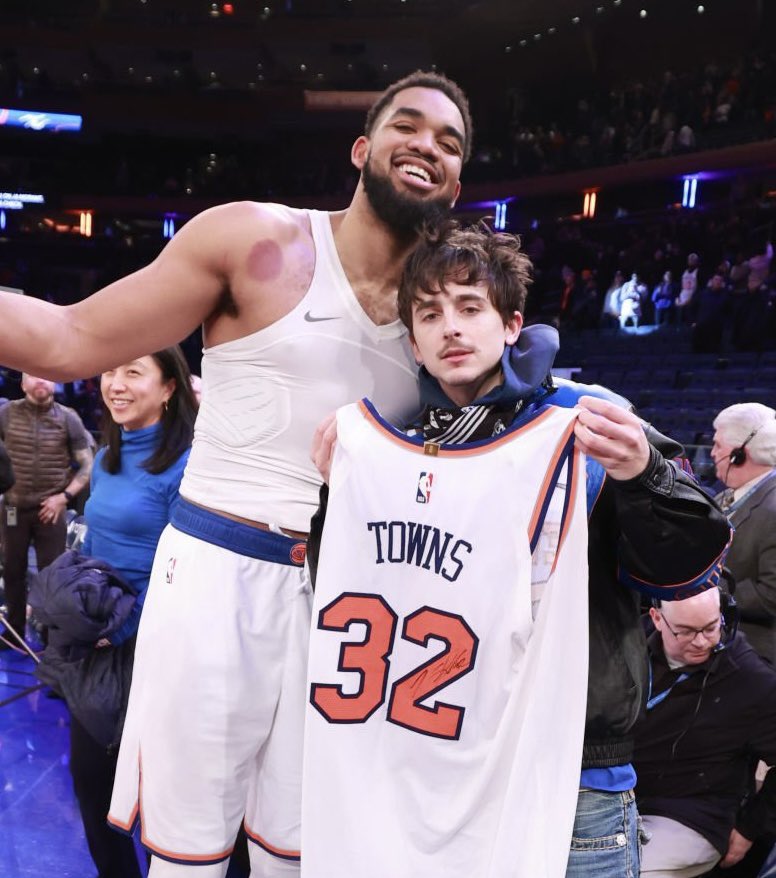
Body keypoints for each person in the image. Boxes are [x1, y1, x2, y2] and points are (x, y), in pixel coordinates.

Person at [0, 70, 472, 876]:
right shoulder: (257, 240)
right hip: (217, 580)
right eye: (409, 126)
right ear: (363, 148)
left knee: (299, 857)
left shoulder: (446, 311)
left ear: (458, 182)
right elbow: (68, 337)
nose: (428, 144)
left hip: (346, 602)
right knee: (190, 858)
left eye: (450, 142)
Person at [309, 222, 732, 878]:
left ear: (511, 325)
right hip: (427, 763)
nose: (450, 327)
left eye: (469, 307)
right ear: (413, 342)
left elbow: (688, 565)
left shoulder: (586, 423)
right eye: (430, 313)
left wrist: (644, 471)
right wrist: (334, 497)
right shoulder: (390, 443)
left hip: (570, 775)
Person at [37, 348, 197, 878]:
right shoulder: (107, 455)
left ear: (169, 386)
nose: (116, 384)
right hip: (94, 649)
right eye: (110, 370)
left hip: (149, 652)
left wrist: (120, 629)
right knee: (91, 788)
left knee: (158, 802)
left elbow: (185, 574)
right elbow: (93, 545)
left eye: (134, 371)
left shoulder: (187, 467)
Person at [634, 586, 776, 877]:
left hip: (694, 814)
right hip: (619, 797)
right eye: (686, 631)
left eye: (711, 628)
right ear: (657, 618)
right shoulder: (629, 644)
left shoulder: (750, 678)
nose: (702, 642)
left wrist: (751, 826)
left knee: (620, 871)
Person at [0, 374, 93, 646]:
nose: (40, 381)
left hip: (50, 508)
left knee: (52, 575)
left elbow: (87, 465)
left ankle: (52, 636)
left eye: (45, 377)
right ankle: (14, 633)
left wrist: (63, 498)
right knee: (12, 569)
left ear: (54, 383)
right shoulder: (5, 414)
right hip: (14, 507)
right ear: (23, 384)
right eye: (33, 376)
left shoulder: (68, 418)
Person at [711, 403, 776, 665]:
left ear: (740, 454)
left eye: (717, 445)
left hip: (755, 659)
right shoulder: (722, 497)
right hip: (725, 647)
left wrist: (707, 590)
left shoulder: (772, 509)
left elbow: (771, 595)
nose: (713, 453)